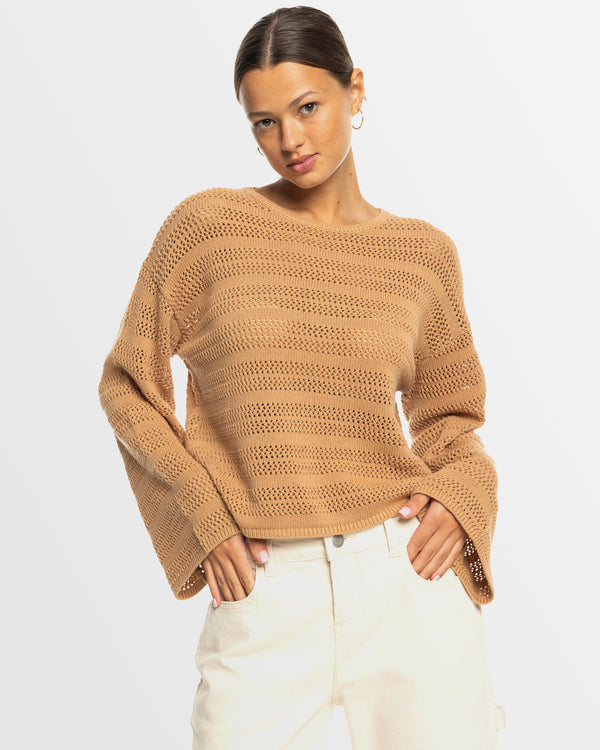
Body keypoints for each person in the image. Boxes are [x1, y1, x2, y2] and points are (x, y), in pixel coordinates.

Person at [97, 5, 506, 749]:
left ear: (356, 90)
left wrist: (460, 496)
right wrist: (203, 515)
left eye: (308, 108)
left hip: (406, 578)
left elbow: (452, 420)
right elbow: (128, 385)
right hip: (264, 589)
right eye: (264, 122)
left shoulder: (423, 254)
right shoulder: (209, 230)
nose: (288, 140)